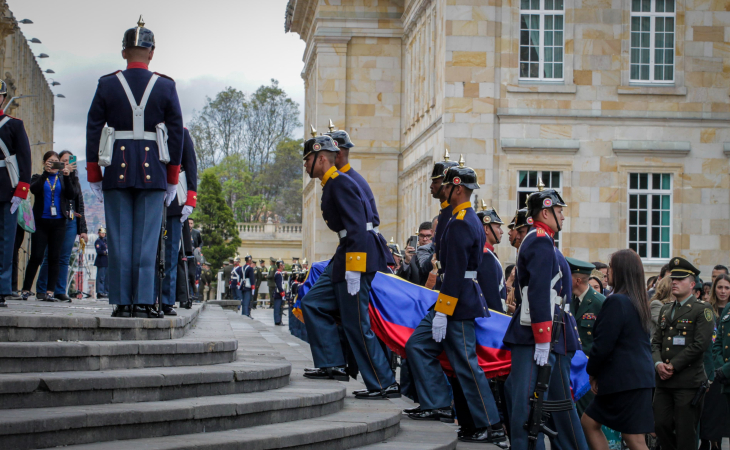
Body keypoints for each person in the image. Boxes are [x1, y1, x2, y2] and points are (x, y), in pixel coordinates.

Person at [86, 17, 184, 318]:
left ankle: (122, 303)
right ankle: (143, 301)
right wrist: (171, 177)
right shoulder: (165, 86)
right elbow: (177, 131)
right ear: (151, 52)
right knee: (146, 240)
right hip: (153, 170)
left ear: (124, 52)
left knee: (118, 239)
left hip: (116, 167)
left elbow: (93, 127)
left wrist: (93, 172)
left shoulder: (107, 83)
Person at [404, 157, 505, 444]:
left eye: (446, 185)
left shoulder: (463, 222)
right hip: (452, 298)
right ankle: (436, 402)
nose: (442, 189)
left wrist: (443, 312)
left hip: (458, 302)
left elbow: (458, 272)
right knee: (418, 345)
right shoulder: (459, 217)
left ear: (457, 189)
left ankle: (492, 423)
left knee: (467, 365)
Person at [300, 134, 398, 399]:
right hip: (346, 254)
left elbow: (357, 227)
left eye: (307, 160)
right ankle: (332, 363)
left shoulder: (339, 183)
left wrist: (354, 267)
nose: (305, 165)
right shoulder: (333, 182)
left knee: (357, 324)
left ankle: (383, 382)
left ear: (321, 158)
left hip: (355, 256)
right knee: (313, 303)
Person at [503, 179, 587, 450]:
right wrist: (542, 336)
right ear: (545, 212)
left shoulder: (545, 241)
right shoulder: (539, 241)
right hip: (536, 335)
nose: (563, 215)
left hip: (553, 333)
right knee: (529, 405)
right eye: (559, 210)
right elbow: (539, 291)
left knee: (558, 404)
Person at [581, 249, 655, 450]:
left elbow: (603, 344)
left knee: (633, 438)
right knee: (592, 423)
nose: (607, 272)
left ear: (621, 270)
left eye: (611, 267)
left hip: (624, 380)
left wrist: (592, 373)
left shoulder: (617, 301)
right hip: (637, 378)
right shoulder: (637, 300)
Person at [652, 257, 715, 450]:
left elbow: (700, 344)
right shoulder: (665, 309)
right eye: (673, 279)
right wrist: (658, 364)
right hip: (664, 381)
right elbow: (655, 342)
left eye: (680, 279)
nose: (675, 283)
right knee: (660, 425)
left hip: (688, 382)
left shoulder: (702, 310)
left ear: (692, 284)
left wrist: (673, 365)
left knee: (685, 432)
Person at [21, 151, 80, 302]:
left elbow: (71, 194)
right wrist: (45, 174)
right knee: (36, 256)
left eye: (56, 162)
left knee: (55, 257)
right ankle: (26, 289)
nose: (54, 164)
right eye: (50, 161)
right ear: (44, 163)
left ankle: (49, 292)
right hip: (41, 222)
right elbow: (34, 189)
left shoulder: (62, 178)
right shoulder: (38, 177)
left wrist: (67, 176)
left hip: (59, 223)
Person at [36, 150, 88, 302]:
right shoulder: (54, 177)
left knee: (64, 257)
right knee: (50, 255)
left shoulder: (74, 180)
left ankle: (59, 290)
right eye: (63, 161)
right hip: (57, 219)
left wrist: (83, 230)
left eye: (69, 161)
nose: (66, 164)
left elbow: (79, 204)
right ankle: (42, 288)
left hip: (71, 220)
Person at [156, 128, 197, 316]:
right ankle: (147, 297)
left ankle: (166, 300)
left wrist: (191, 200)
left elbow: (190, 165)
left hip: (173, 203)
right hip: (149, 197)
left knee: (171, 255)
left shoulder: (180, 132)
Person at [0, 79, 32, 308]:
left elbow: (24, 159)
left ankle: (1, 287)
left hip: (5, 188)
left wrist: (21, 190)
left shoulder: (13, 125)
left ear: (3, 98)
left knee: (5, 240)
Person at [566, 257, 606, 417]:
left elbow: (603, 340)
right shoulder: (570, 301)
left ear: (577, 280)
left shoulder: (599, 302)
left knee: (587, 416)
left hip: (588, 371)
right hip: (571, 367)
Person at [700, 273, 730, 450]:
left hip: (726, 370)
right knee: (709, 410)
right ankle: (709, 442)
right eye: (720, 287)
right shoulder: (706, 309)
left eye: (727, 287)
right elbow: (715, 343)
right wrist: (718, 365)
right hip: (712, 367)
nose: (723, 291)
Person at [476, 201, 506, 313]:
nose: (501, 232)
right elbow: (491, 296)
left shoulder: (488, 253)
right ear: (486, 229)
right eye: (498, 227)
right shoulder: (485, 255)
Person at [711, 300, 730, 433]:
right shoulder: (728, 307)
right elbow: (718, 342)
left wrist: (726, 370)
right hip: (728, 381)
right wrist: (721, 367)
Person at [95, 227, 109, 298]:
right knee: (101, 278)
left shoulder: (106, 241)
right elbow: (99, 250)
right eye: (102, 233)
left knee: (107, 278)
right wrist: (105, 252)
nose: (103, 234)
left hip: (107, 261)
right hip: (101, 261)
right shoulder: (98, 241)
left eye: (104, 233)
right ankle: (100, 291)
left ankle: (106, 291)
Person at [274, 259, 285, 325]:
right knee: (278, 308)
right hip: (278, 293)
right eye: (282, 265)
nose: (283, 266)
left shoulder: (279, 273)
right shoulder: (278, 274)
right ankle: (277, 321)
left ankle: (278, 320)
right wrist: (282, 293)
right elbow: (279, 285)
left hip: (279, 293)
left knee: (279, 307)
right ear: (280, 265)